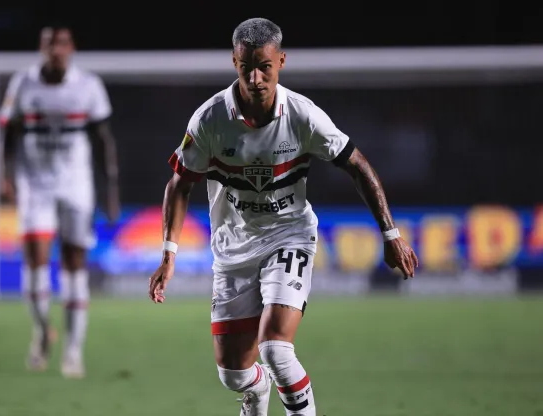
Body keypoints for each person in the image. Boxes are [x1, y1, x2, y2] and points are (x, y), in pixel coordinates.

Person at [148, 18, 418, 416]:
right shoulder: (209, 120)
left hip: (288, 235)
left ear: (282, 61)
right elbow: (179, 184)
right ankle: (257, 392)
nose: (256, 77)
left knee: (276, 349)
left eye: (265, 67)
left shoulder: (303, 116)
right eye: (246, 67)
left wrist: (390, 233)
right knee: (234, 375)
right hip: (232, 249)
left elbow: (358, 165)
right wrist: (169, 254)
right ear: (234, 61)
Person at [0, 26, 120, 378]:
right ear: (41, 47)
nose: (56, 49)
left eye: (62, 43)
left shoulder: (88, 86)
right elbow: (7, 133)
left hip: (76, 184)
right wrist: (5, 177)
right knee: (35, 261)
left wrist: (112, 191)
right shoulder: (22, 84)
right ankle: (41, 330)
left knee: (73, 262)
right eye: (49, 43)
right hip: (34, 183)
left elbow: (103, 140)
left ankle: (73, 351)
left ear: (72, 48)